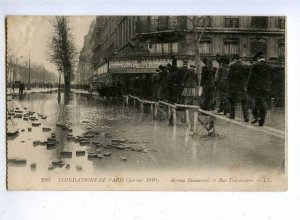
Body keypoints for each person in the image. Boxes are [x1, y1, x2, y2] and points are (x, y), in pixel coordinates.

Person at [247, 52, 272, 126]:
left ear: (258, 59)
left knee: (253, 103)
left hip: (256, 89)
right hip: (266, 89)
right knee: (263, 105)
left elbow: (251, 78)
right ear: (264, 59)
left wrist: (247, 87)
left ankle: (256, 116)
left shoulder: (255, 66)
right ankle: (261, 123)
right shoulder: (269, 67)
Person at [228, 54, 250, 122]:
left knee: (232, 101)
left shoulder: (232, 65)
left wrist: (229, 85)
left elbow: (229, 77)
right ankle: (246, 117)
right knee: (244, 102)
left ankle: (232, 115)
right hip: (243, 87)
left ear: (234, 59)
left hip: (233, 87)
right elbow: (248, 77)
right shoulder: (246, 65)